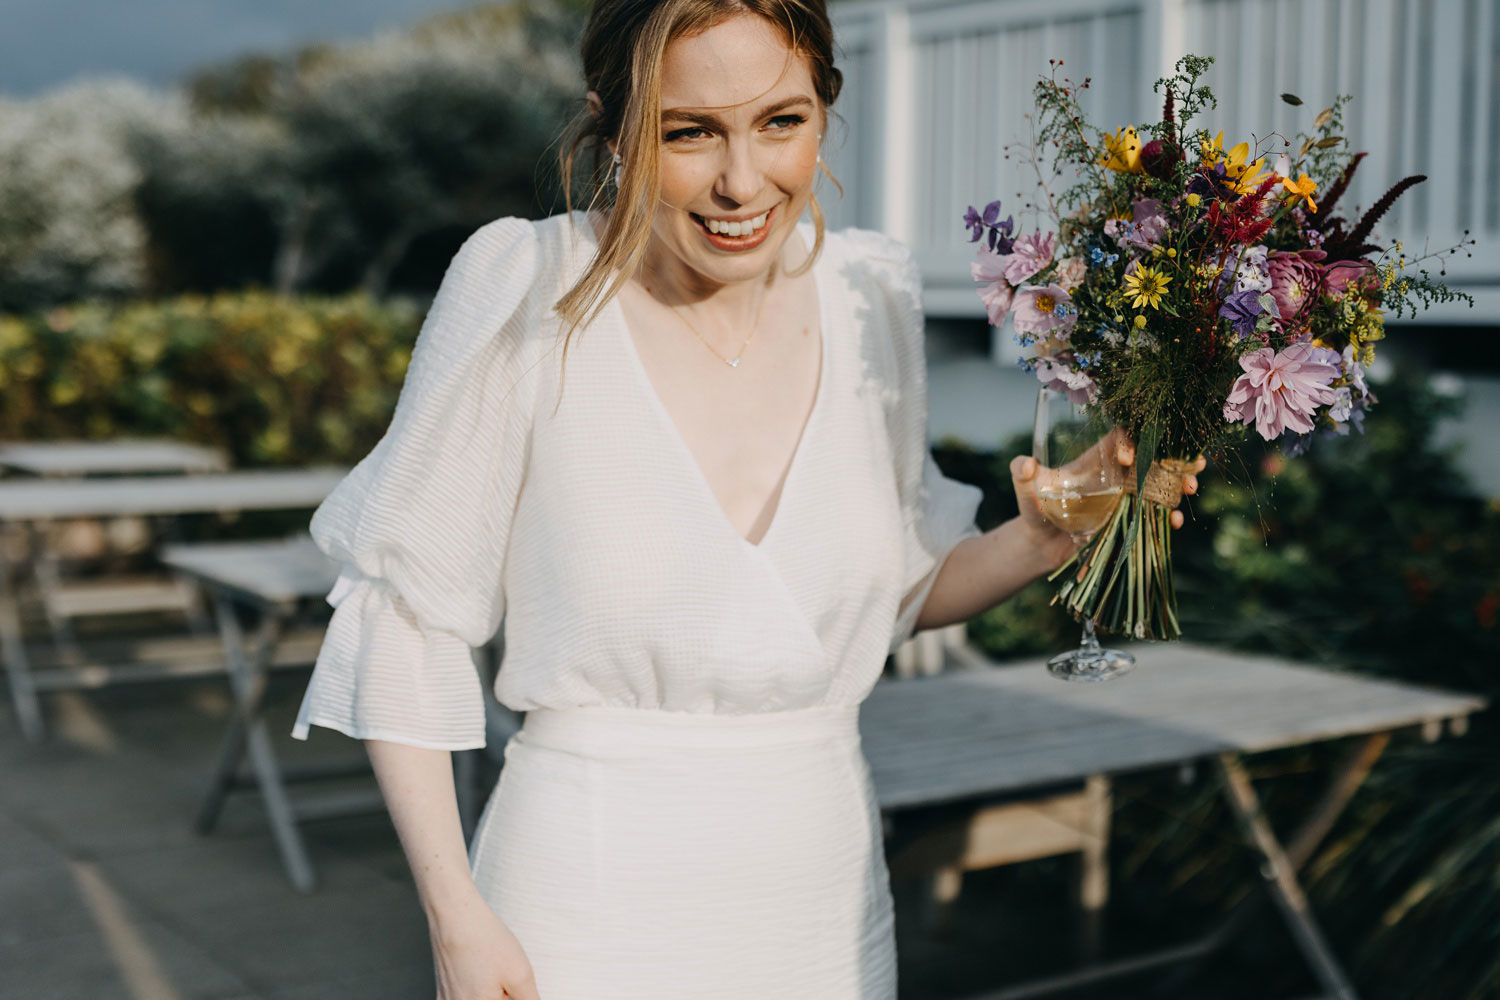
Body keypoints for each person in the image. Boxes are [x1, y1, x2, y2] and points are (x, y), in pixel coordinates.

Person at [289, 1, 1202, 997]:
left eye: (781, 121)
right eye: (689, 131)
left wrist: (1041, 534)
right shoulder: (524, 287)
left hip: (822, 902)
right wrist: (456, 915)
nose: (741, 180)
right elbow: (407, 623)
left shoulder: (872, 298)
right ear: (613, 123)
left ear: (824, 112)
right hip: (581, 895)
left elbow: (891, 595)